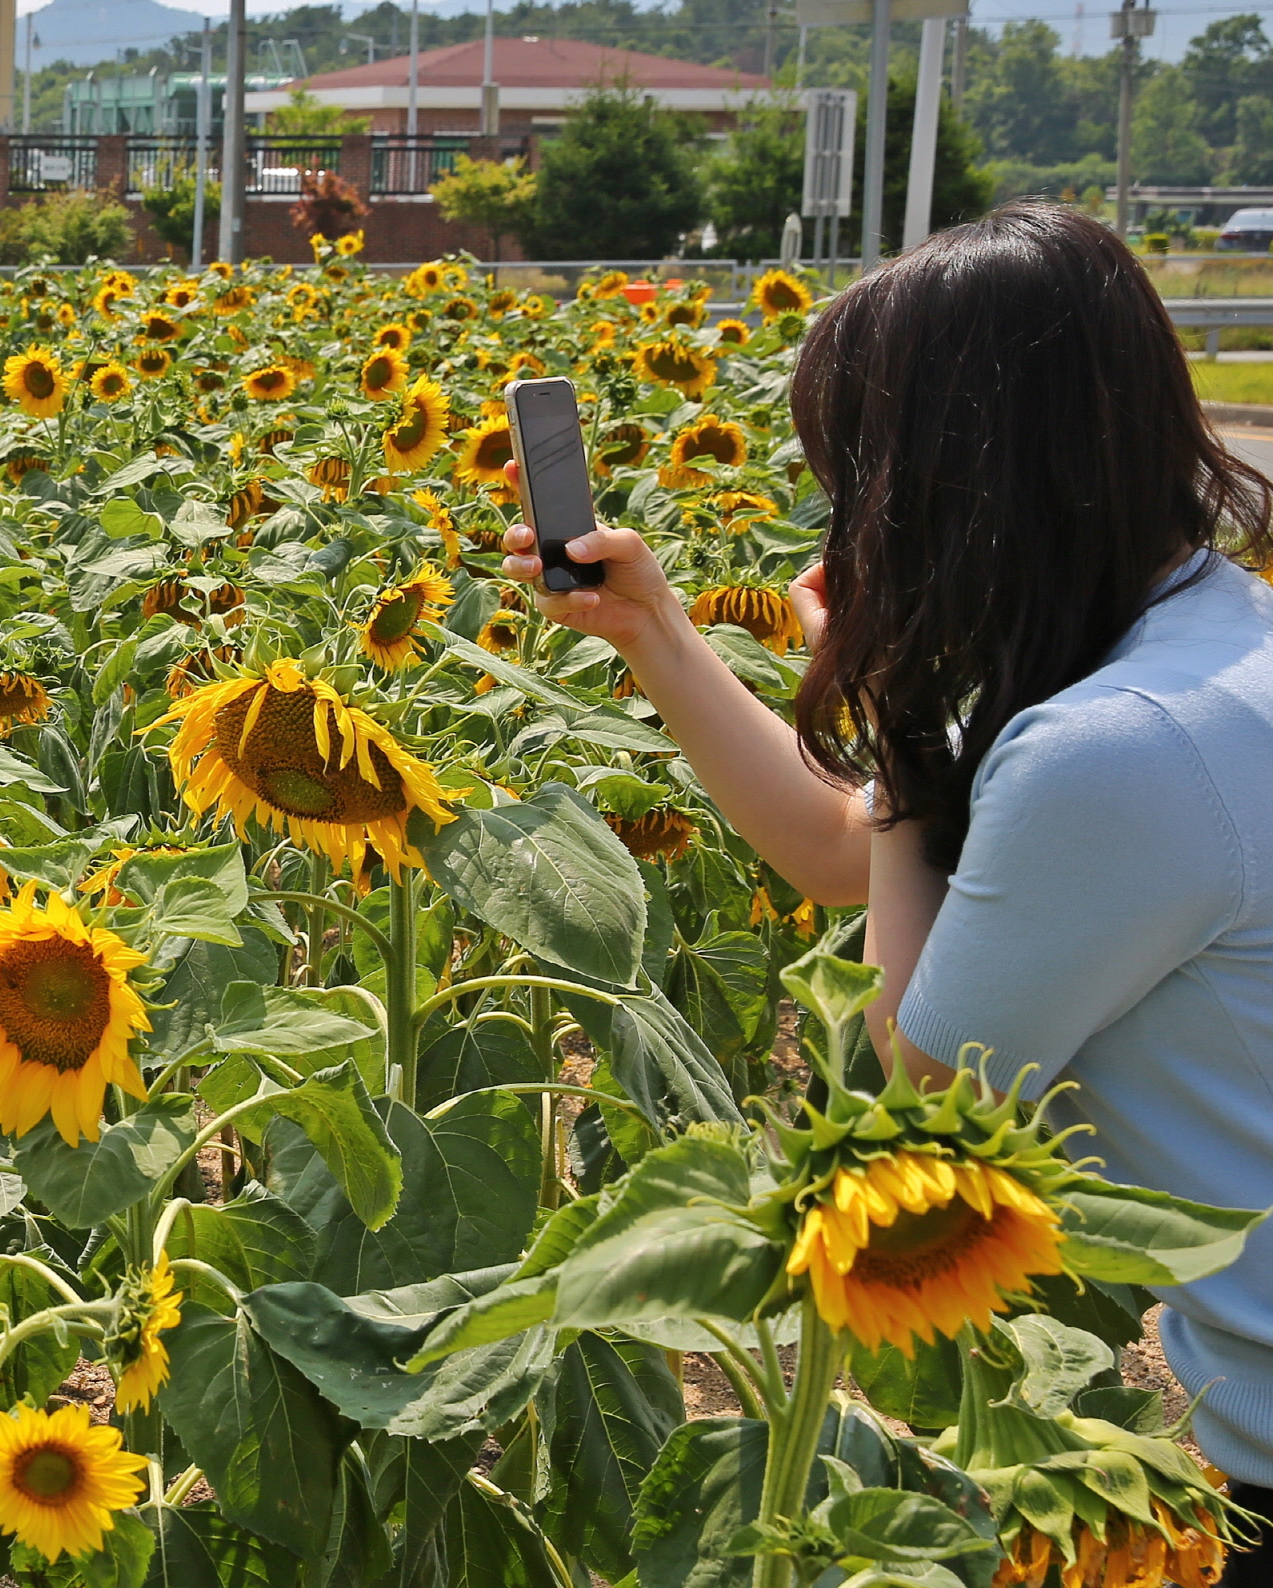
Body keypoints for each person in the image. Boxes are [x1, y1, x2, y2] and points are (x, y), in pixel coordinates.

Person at [503, 202, 1273, 1555]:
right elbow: (838, 850)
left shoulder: (1116, 751)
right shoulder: (1198, 645)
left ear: (956, 479)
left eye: (859, 473)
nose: (850, 513)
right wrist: (657, 636)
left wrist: (900, 720)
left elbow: (924, 1064)